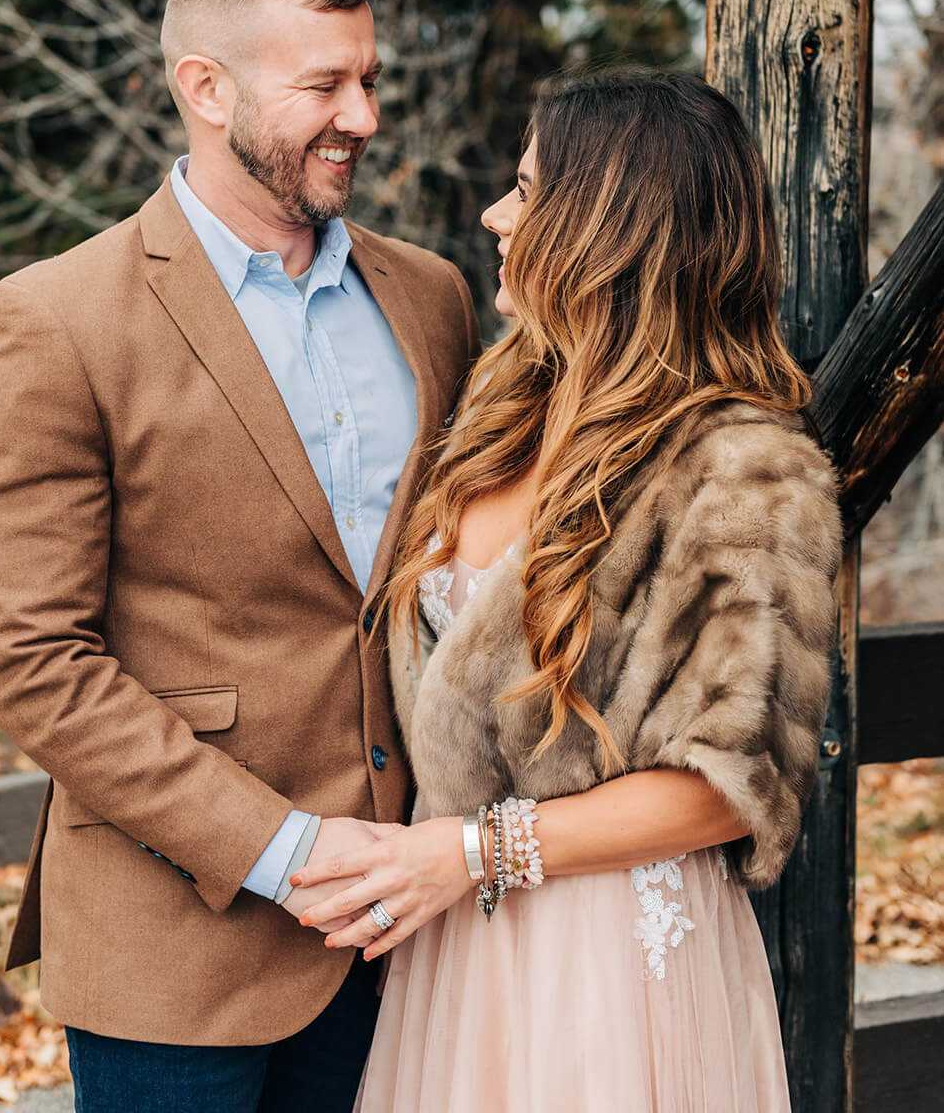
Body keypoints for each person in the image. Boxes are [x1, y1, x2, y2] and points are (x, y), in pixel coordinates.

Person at [0, 0, 478, 1113]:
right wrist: (287, 851)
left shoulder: (433, 296)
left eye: (370, 78)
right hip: (174, 948)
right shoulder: (50, 321)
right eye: (323, 85)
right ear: (206, 88)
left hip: (407, 934)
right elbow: (33, 659)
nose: (364, 116)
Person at [291, 71, 842, 1112]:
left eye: (528, 190)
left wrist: (476, 851)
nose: (497, 215)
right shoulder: (497, 403)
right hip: (456, 941)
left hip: (608, 955)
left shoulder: (741, 469)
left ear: (611, 228)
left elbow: (730, 785)